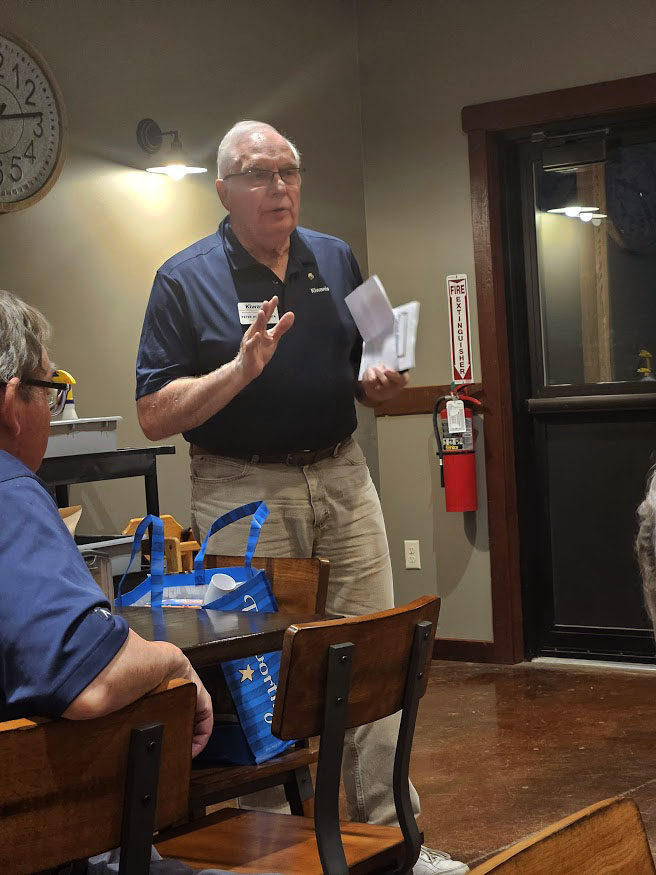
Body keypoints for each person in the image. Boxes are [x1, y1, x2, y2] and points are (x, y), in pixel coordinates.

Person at [135, 120, 468, 875]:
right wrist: (240, 370)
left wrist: (383, 377)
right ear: (224, 190)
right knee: (257, 672)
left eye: (288, 171)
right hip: (242, 486)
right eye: (259, 174)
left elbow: (383, 359)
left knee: (374, 652)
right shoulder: (183, 279)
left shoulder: (335, 254)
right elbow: (153, 412)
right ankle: (267, 854)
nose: (279, 187)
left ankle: (394, 842)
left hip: (342, 474)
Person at [0, 290, 280, 875]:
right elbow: (90, 677)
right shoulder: (11, 494)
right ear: (11, 404)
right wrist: (172, 660)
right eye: (51, 391)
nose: (53, 410)